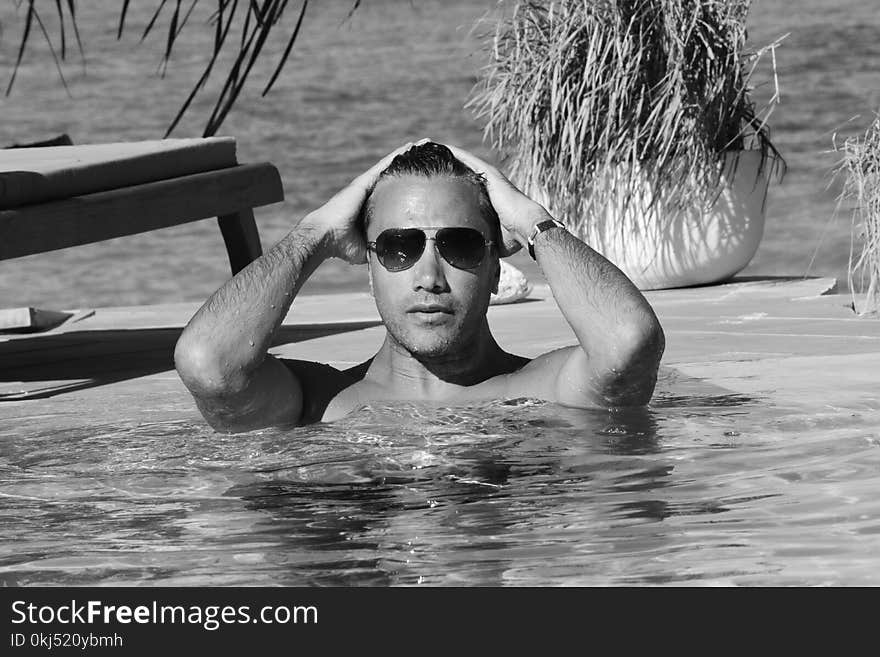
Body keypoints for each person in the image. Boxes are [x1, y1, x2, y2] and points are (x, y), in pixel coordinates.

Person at [174, 140, 665, 432]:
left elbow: (629, 342)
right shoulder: (321, 402)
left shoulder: (544, 388)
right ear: (369, 269)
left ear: (496, 267)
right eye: (398, 247)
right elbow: (209, 364)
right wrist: (315, 234)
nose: (429, 277)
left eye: (462, 245)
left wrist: (536, 224)